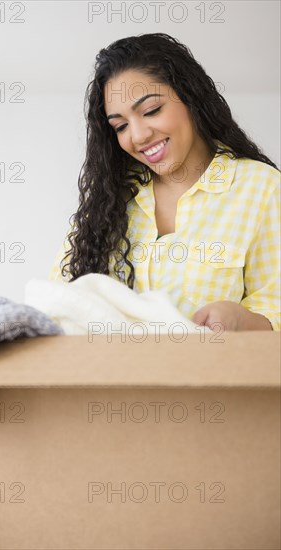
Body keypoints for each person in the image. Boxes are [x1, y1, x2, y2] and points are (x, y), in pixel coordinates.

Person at [49, 33, 280, 332]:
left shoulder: (261, 188)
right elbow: (58, 299)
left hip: (212, 375)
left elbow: (276, 305)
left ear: (191, 98)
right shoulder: (108, 201)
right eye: (120, 126)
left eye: (151, 111)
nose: (138, 136)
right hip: (111, 376)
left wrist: (240, 319)